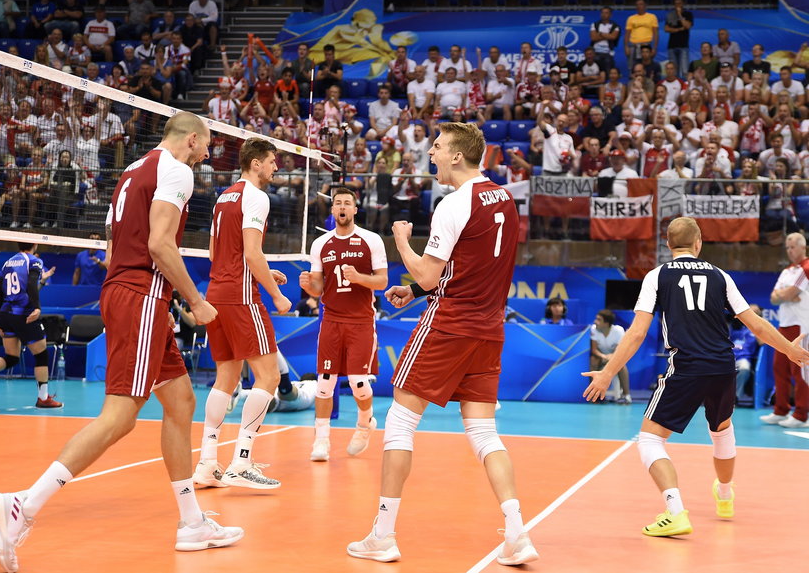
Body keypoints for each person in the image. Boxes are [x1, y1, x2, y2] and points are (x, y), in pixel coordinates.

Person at [0, 113, 243, 573]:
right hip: (141, 294)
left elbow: (111, 244)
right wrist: (197, 302)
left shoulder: (131, 171)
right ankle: (24, 504)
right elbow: (162, 245)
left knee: (181, 401)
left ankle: (191, 524)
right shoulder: (177, 169)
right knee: (120, 417)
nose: (209, 154)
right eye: (208, 145)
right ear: (193, 138)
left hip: (135, 294)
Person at [347, 122, 538, 566]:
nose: (430, 152)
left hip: (448, 324)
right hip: (489, 328)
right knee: (485, 432)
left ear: (456, 156)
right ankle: (516, 533)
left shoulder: (454, 203)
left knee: (398, 422)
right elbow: (467, 264)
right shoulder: (505, 198)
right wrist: (413, 291)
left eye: (437, 146)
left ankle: (383, 535)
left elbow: (432, 274)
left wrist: (400, 242)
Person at [583, 217, 809, 538]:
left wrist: (607, 373)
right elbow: (756, 325)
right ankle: (726, 493)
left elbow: (636, 333)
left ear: (668, 245)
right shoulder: (720, 276)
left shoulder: (657, 276)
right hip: (722, 366)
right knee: (721, 430)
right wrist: (790, 350)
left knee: (650, 439)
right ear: (699, 243)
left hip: (687, 366)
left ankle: (675, 512)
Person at [192, 138, 292, 490]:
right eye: (271, 161)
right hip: (242, 297)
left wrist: (261, 271)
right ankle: (241, 463)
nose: (275, 168)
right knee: (269, 378)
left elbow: (215, 253)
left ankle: (207, 463)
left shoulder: (225, 196)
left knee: (226, 378)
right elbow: (251, 252)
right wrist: (277, 295)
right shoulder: (257, 196)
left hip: (217, 292)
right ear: (254, 164)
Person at [299, 187, 388, 462]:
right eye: (337, 203)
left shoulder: (370, 240)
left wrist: (359, 277)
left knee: (359, 383)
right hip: (331, 320)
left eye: (347, 203)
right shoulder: (321, 244)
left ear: (354, 210)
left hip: (361, 321)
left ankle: (364, 424)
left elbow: (382, 282)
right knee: (325, 383)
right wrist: (309, 285)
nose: (342, 207)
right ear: (333, 209)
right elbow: (318, 288)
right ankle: (322, 440)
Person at [0, 242, 61, 409]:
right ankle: (43, 398)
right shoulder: (34, 261)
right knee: (41, 355)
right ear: (35, 244)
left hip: (6, 314)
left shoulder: (8, 262)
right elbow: (32, 284)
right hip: (23, 314)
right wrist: (37, 307)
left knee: (12, 357)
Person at [760, 233, 809, 428]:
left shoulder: (806, 268)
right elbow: (774, 297)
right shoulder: (787, 271)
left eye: (793, 247)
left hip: (801, 325)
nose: (789, 251)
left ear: (803, 247)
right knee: (779, 367)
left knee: (800, 371)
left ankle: (801, 414)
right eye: (787, 248)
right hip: (784, 324)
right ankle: (780, 410)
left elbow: (789, 293)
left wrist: (784, 295)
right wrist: (784, 295)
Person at [590, 309, 630, 404]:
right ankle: (595, 395)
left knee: (621, 365)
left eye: (599, 320)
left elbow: (620, 350)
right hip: (601, 357)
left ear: (606, 323)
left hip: (615, 356)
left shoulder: (618, 330)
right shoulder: (594, 329)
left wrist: (612, 357)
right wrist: (604, 356)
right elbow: (594, 350)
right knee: (593, 360)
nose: (596, 322)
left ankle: (626, 395)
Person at [732, 304, 761, 403]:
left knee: (744, 368)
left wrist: (755, 325)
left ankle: (735, 397)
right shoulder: (735, 326)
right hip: (728, 357)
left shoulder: (758, 329)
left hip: (743, 359)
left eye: (756, 312)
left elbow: (762, 342)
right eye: (751, 311)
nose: (752, 313)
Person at [625, 0, 658, 73]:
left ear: (645, 5)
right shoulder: (631, 18)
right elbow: (627, 34)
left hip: (646, 44)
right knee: (633, 66)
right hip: (633, 45)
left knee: (647, 66)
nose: (639, 6)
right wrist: (626, 47)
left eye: (641, 4)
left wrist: (654, 48)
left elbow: (655, 33)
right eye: (637, 5)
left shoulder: (652, 17)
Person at [664, 0, 693, 76]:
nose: (678, 5)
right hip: (672, 46)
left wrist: (680, 15)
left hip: (683, 45)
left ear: (683, 4)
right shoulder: (670, 15)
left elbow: (687, 26)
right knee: (673, 71)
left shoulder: (688, 14)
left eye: (679, 3)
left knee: (684, 70)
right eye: (676, 4)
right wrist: (679, 29)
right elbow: (666, 29)